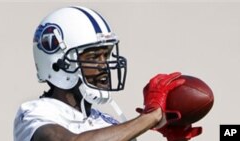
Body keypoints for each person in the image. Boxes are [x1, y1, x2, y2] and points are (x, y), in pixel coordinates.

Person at [13, 6, 201, 141]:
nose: (104, 65)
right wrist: (150, 117)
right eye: (94, 56)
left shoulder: (108, 124)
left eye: (107, 55)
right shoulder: (35, 112)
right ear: (58, 63)